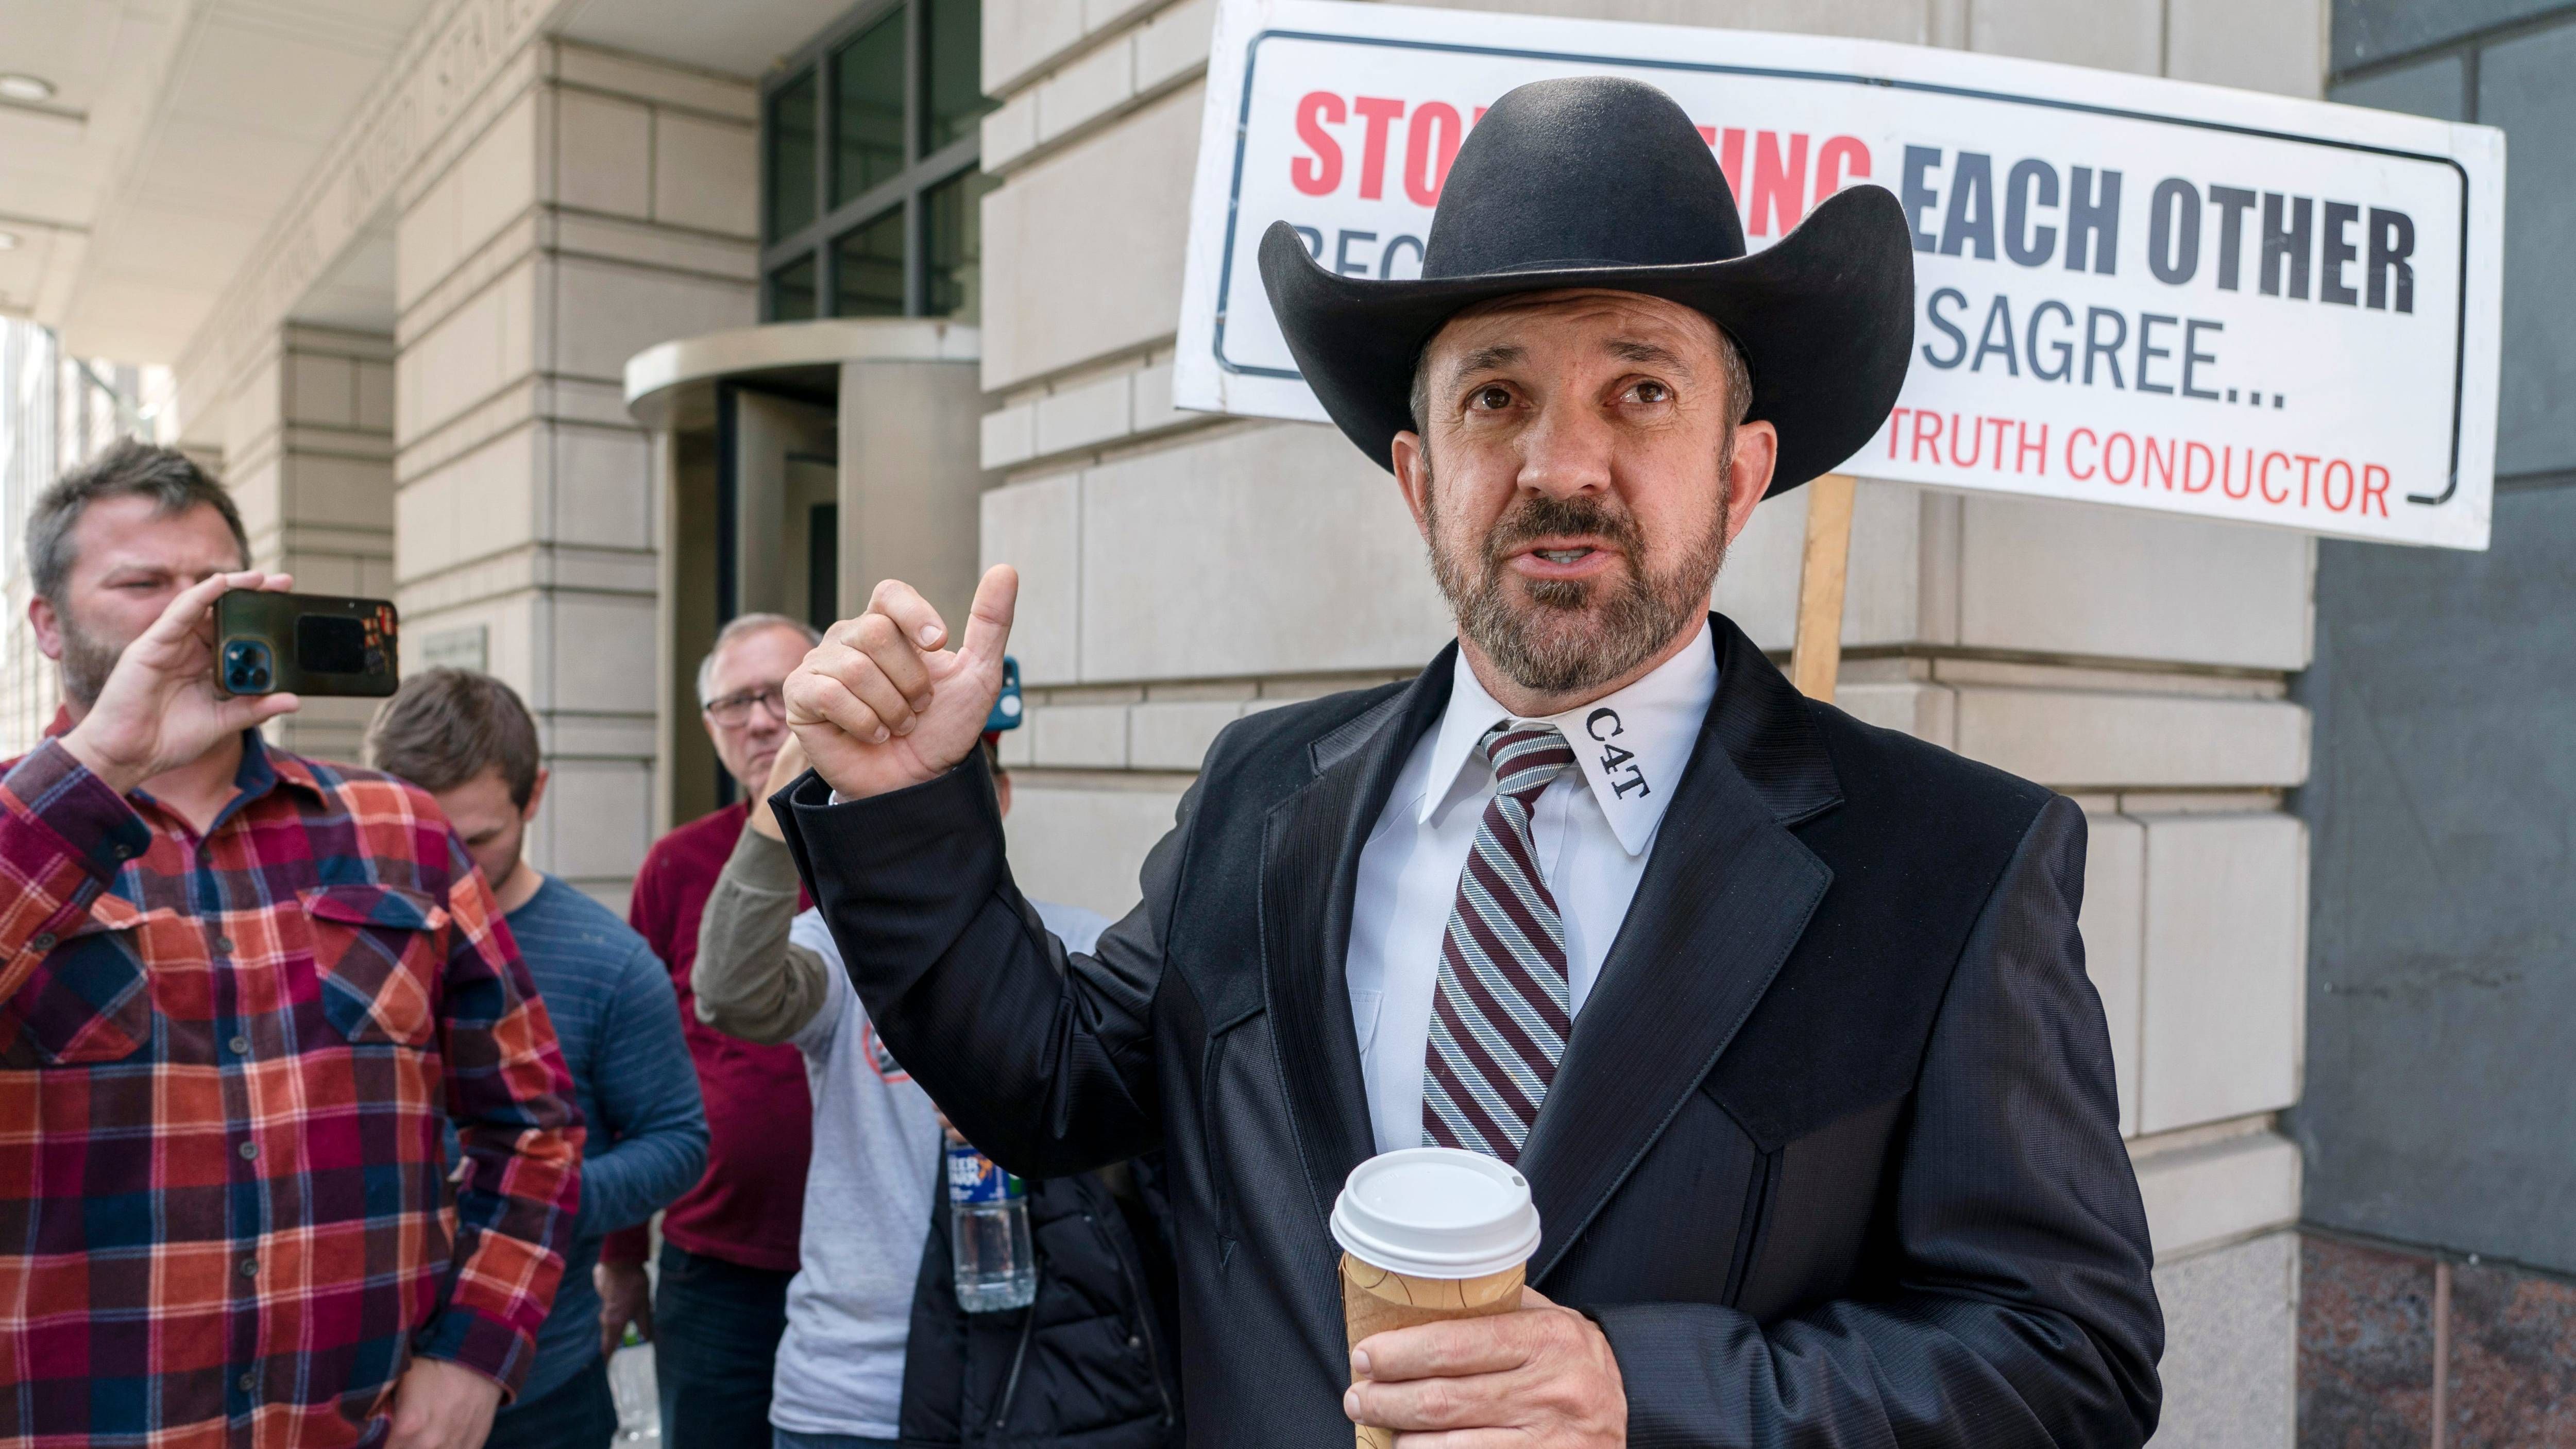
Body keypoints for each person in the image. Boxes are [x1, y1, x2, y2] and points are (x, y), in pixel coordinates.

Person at [770, 76, 2162, 1448]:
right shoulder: (1264, 789)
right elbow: (1058, 1084)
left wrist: (1640, 1393)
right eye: (1496, 396)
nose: (1564, 465)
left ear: (1740, 474)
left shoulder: (1949, 862)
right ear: (1421, 477)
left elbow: (2067, 1356)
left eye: (1641, 390)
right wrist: (905, 807)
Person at [0, 439, 582, 1448]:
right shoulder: (21, 830)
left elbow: (533, 1126)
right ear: (48, 624)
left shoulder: (398, 828)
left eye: (215, 584)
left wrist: (475, 1354)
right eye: (143, 584)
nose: (191, 614)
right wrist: (102, 763)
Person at [694, 730, 1178, 1449]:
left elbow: (1153, 1145)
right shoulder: (838, 944)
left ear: (996, 796)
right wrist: (779, 804)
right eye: (884, 790)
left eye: (938, 782)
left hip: (1036, 1383)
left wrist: (1020, 1106)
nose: (907, 810)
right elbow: (732, 994)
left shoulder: (1082, 947)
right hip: (851, 1388)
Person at [365, 669, 710, 1449]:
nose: (447, 866)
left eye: (478, 841)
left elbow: (679, 1142)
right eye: (423, 834)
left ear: (535, 796)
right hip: (342, 1388)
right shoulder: (334, 929)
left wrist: (536, 1196)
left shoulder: (608, 962)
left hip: (541, 1384)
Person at [597, 611, 824, 1447]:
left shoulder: (889, 846)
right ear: (710, 726)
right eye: (736, 702)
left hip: (879, 1260)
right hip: (715, 1266)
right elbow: (628, 1069)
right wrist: (623, 1254)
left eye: (781, 694)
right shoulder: (677, 865)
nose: (760, 721)